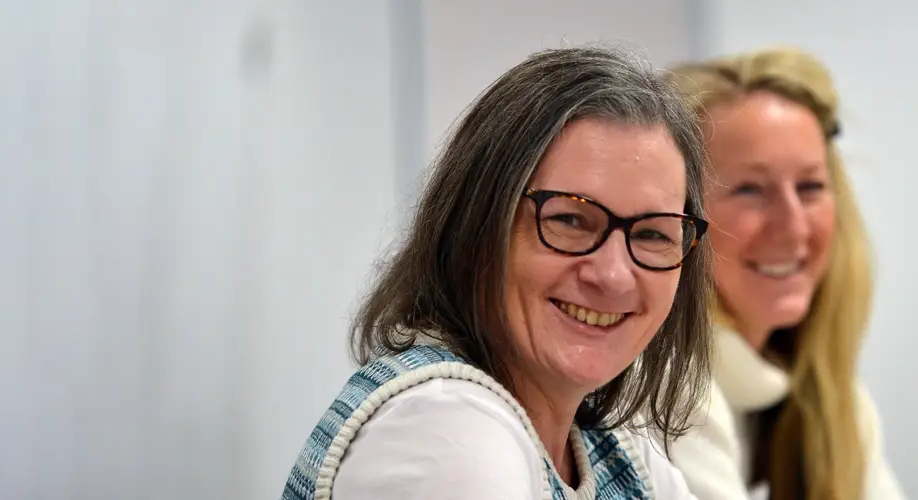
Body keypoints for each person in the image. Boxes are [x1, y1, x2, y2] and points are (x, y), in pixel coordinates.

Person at [281, 45, 713, 499]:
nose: (613, 275)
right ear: (478, 224)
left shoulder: (616, 453)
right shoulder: (447, 435)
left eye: (652, 234)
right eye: (568, 220)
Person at [664, 47, 907, 500]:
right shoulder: (666, 384)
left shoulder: (837, 404)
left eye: (811, 187)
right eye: (751, 189)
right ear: (676, 214)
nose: (794, 226)